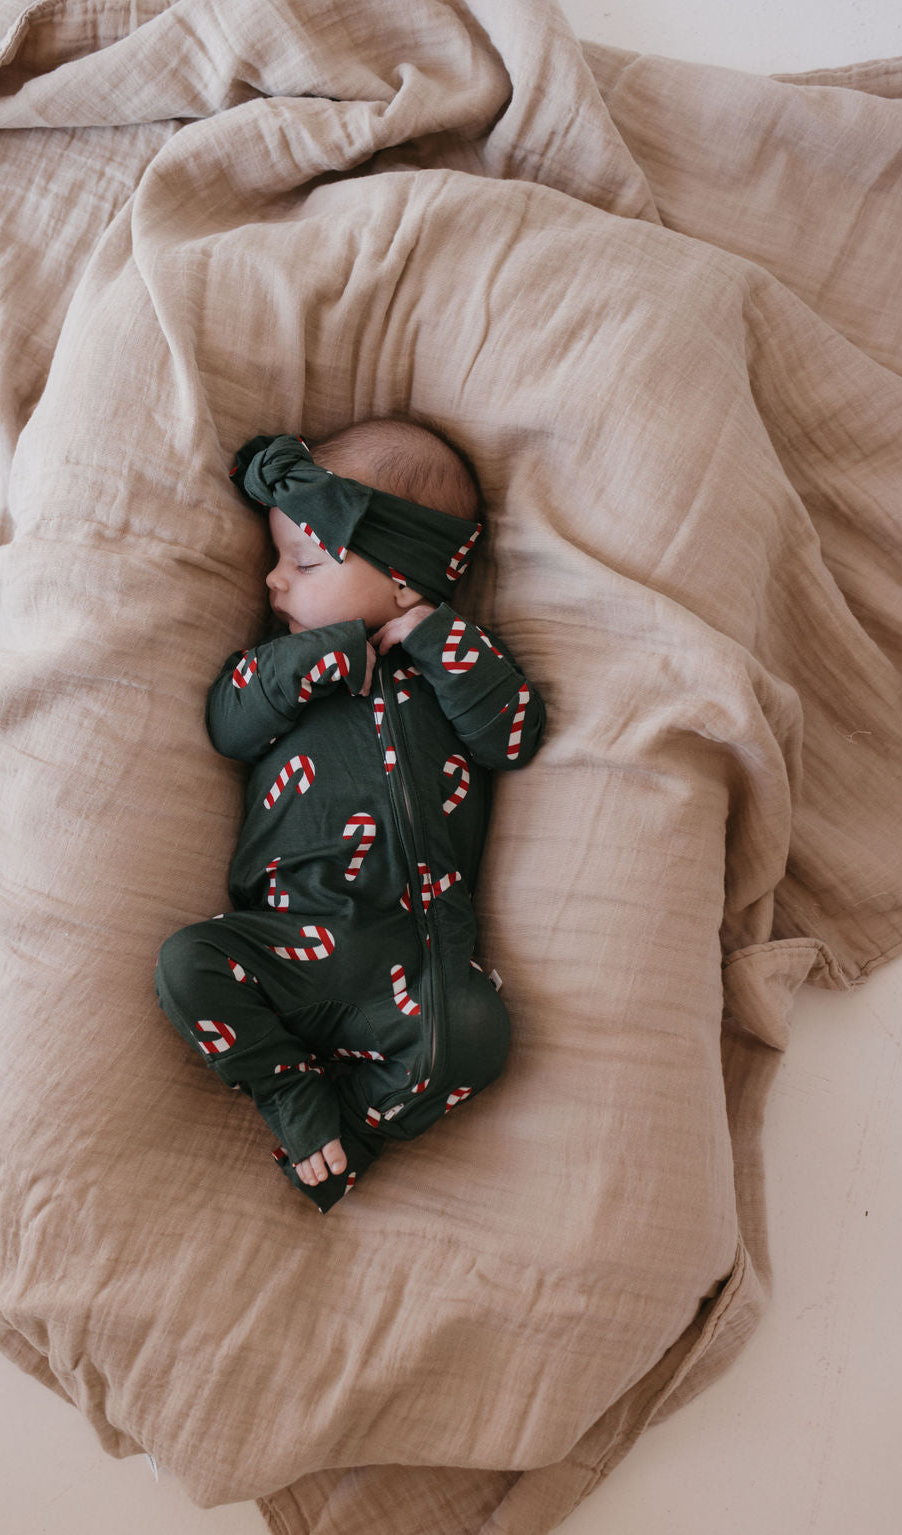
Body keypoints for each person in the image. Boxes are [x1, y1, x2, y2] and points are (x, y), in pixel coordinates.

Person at [155, 418, 545, 1211]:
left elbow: (513, 735)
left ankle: (347, 1142)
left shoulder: (455, 666)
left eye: (302, 560)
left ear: (403, 581)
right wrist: (309, 660)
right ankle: (290, 1089)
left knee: (480, 1036)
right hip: (296, 941)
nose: (275, 581)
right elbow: (227, 723)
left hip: (412, 962)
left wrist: (437, 639)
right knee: (185, 963)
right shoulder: (280, 672)